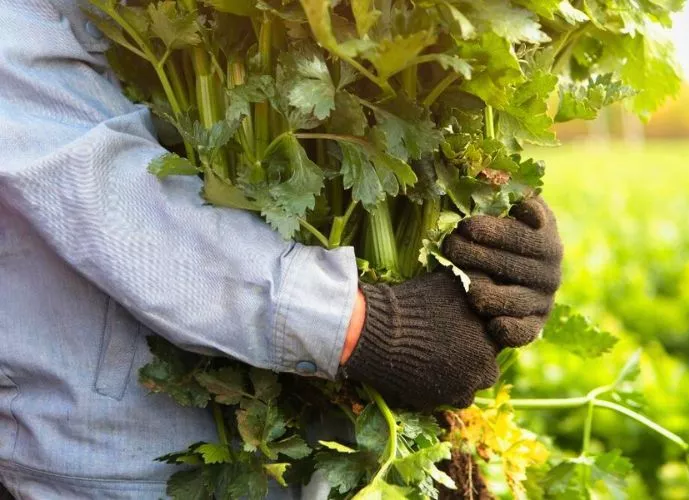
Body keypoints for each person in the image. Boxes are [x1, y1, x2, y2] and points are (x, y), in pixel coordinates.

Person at [0, 1, 563, 498]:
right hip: (118, 466)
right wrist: (366, 326)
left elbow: (415, 123)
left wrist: (499, 248)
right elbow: (79, 176)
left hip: (350, 449)